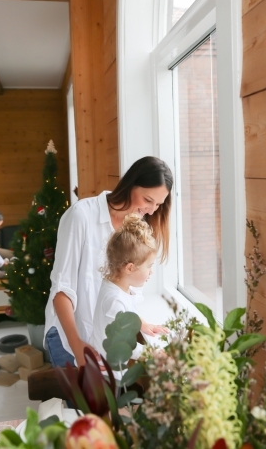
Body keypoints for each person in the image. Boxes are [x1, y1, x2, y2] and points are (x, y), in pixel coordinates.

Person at [44, 156, 173, 367]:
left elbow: (124, 292)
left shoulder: (137, 230)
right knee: (80, 401)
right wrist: (77, 347)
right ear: (131, 185)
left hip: (102, 341)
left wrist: (140, 323)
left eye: (158, 204)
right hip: (69, 338)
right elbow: (62, 290)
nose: (151, 210)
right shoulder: (81, 216)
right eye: (148, 200)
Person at [90, 213, 168, 378]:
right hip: (107, 375)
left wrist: (143, 324)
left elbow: (126, 316)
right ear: (130, 268)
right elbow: (123, 344)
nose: (151, 272)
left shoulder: (116, 286)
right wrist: (152, 353)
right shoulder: (115, 300)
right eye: (149, 266)